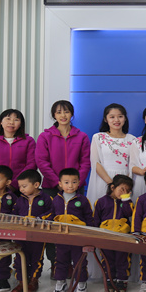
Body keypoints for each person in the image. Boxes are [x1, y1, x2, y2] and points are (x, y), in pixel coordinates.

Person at [35, 100, 91, 278]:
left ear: (72, 114)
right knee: (53, 225)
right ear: (54, 115)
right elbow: (42, 162)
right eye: (59, 112)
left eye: (66, 111)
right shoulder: (45, 136)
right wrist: (57, 182)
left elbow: (85, 162)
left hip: (75, 188)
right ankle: (55, 263)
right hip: (52, 188)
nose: (63, 115)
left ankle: (76, 263)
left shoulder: (81, 137)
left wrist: (76, 183)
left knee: (75, 224)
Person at [51, 168, 94, 292]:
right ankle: (61, 282)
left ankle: (81, 282)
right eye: (66, 182)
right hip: (61, 238)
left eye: (74, 182)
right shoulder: (56, 200)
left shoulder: (83, 200)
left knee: (79, 261)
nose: (70, 185)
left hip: (78, 238)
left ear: (79, 183)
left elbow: (89, 218)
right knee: (60, 260)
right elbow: (51, 216)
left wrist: (90, 235)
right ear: (60, 184)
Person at [11, 169, 52, 292]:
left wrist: (39, 219)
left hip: (38, 235)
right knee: (20, 258)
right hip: (21, 235)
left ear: (36, 184)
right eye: (20, 187)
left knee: (36, 258)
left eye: (24, 186)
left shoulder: (46, 198)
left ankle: (34, 280)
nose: (21, 189)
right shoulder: (20, 199)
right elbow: (14, 214)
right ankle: (21, 281)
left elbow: (52, 213)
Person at [87, 103, 137, 205]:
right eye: (112, 117)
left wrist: (122, 184)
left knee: (124, 209)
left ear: (125, 118)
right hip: (104, 179)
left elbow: (133, 164)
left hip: (125, 181)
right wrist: (111, 184)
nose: (116, 120)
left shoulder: (132, 139)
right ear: (106, 119)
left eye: (120, 116)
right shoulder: (98, 137)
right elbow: (95, 163)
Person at [93, 174, 134, 292]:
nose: (124, 192)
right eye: (122, 189)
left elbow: (129, 213)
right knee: (107, 260)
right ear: (112, 187)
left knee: (123, 260)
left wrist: (125, 200)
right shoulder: (101, 201)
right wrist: (95, 236)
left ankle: (122, 281)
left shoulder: (128, 203)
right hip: (105, 237)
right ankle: (110, 281)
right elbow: (96, 220)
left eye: (127, 190)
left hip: (123, 237)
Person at [0, 109, 36, 191]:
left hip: (21, 188)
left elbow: (31, 164)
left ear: (21, 124)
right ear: (1, 122)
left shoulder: (29, 141)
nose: (11, 122)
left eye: (16, 120)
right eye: (8, 119)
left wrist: (14, 184)